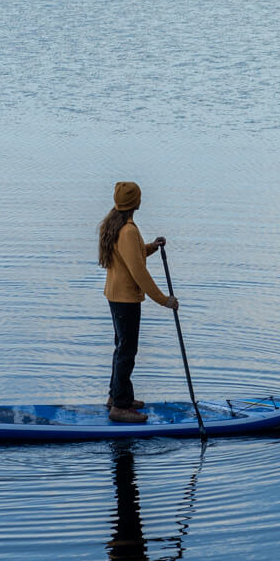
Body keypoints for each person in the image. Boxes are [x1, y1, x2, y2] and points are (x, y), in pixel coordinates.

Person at [98, 180, 177, 425]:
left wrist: (152, 247)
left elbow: (131, 254)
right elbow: (138, 272)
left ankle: (116, 397)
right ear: (135, 202)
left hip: (115, 295)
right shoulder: (128, 229)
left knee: (121, 347)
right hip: (125, 299)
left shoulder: (116, 224)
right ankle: (120, 407)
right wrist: (164, 300)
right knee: (127, 351)